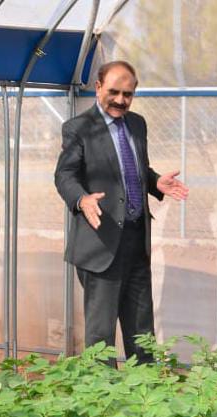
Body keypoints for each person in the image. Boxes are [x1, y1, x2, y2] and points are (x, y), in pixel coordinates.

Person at [54, 60, 189, 363]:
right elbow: (64, 175)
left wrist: (155, 182)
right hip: (101, 242)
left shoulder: (137, 124)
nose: (120, 100)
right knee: (101, 334)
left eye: (127, 94)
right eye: (113, 92)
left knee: (142, 329)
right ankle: (102, 391)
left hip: (136, 240)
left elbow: (135, 169)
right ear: (98, 87)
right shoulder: (79, 128)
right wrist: (82, 199)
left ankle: (146, 387)